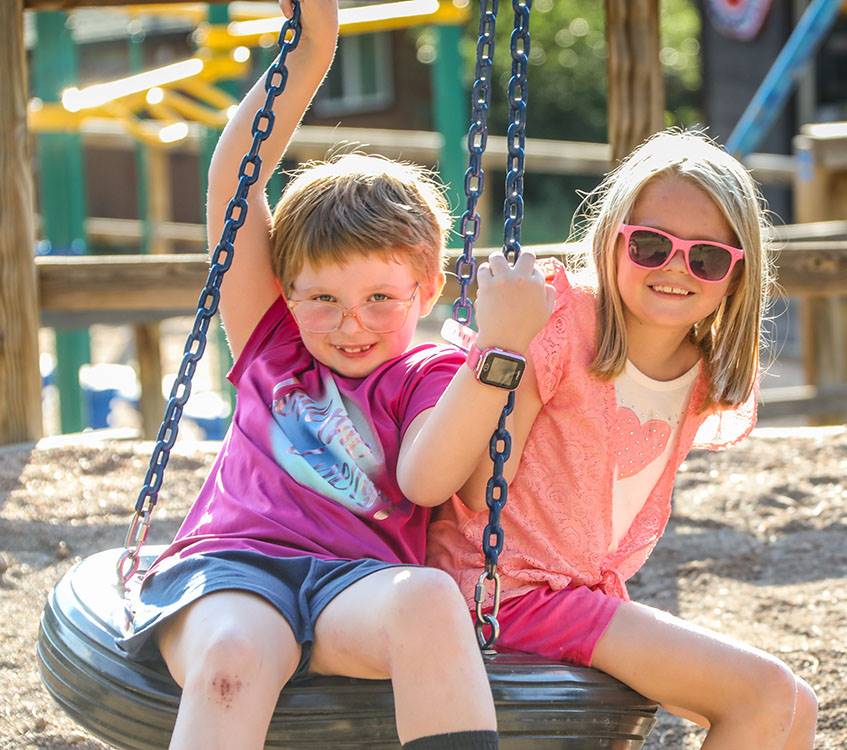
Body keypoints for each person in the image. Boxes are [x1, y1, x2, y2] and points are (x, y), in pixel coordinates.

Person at [117, 1, 553, 748]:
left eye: (379, 298)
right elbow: (235, 178)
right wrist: (313, 46)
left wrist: (499, 352)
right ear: (286, 292)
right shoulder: (270, 340)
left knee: (428, 598)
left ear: (428, 288)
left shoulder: (436, 375)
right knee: (233, 656)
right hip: (233, 569)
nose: (350, 323)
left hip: (353, 586)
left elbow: (423, 480)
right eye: (323, 299)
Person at [429, 130, 819, 749]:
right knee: (765, 692)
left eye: (707, 258)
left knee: (795, 705)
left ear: (737, 274)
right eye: (650, 244)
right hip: (501, 591)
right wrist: (510, 346)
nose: (675, 269)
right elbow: (480, 493)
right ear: (612, 239)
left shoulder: (703, 374)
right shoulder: (560, 322)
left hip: (578, 597)